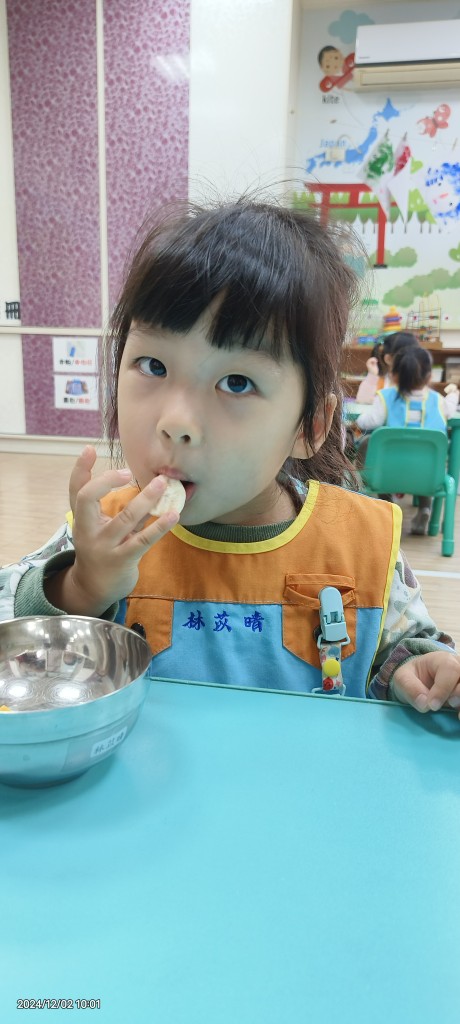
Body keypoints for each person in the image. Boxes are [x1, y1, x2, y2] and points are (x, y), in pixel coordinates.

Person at [1, 198, 459, 715]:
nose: (175, 422)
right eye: (153, 365)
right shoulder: (103, 533)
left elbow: (408, 650)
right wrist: (81, 586)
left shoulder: (364, 542)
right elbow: (12, 636)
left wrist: (418, 668)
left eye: (236, 382)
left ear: (309, 426)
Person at [356, 345, 459, 534]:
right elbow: (450, 409)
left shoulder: (386, 397)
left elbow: (367, 422)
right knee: (425, 458)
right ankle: (425, 508)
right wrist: (453, 395)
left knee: (367, 443)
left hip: (386, 473)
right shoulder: (438, 401)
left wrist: (358, 419)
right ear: (429, 376)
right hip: (427, 476)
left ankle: (388, 505)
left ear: (394, 375)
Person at [356, 330, 420, 404]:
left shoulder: (419, 381)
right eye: (407, 357)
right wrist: (372, 375)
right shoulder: (382, 381)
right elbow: (362, 400)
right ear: (388, 359)